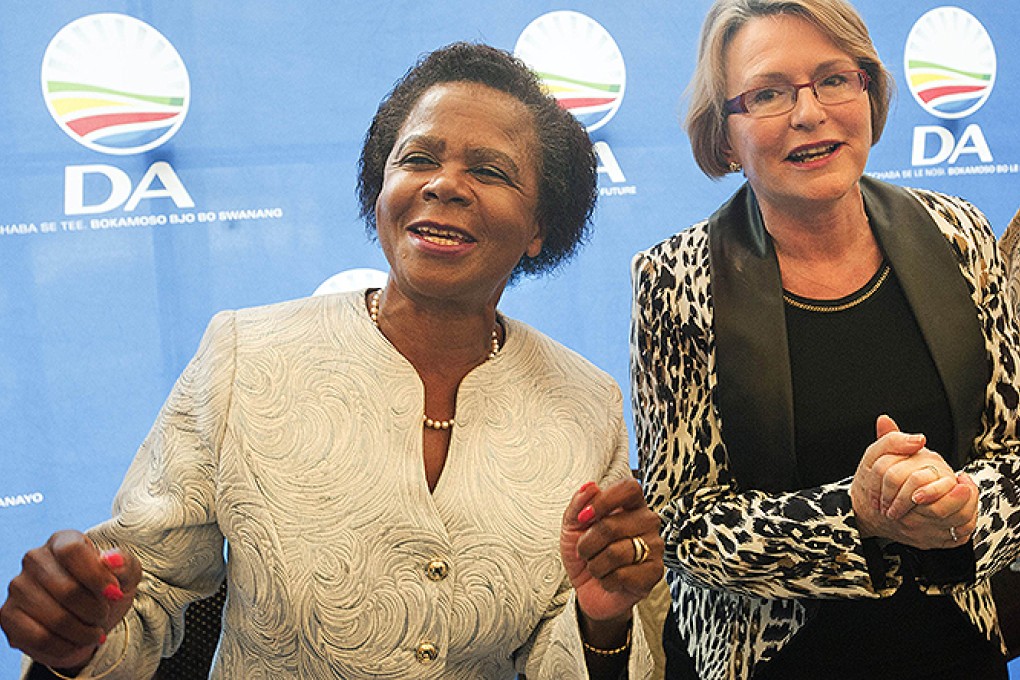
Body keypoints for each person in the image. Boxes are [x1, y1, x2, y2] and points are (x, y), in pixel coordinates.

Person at [1, 42, 664, 680]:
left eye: (488, 171)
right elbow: (141, 601)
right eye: (417, 160)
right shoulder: (244, 355)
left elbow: (568, 651)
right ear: (381, 187)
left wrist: (600, 622)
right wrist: (74, 629)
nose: (443, 185)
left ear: (540, 226)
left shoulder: (586, 402)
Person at [630, 1, 1020, 679]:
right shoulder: (672, 279)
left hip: (949, 646)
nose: (809, 113)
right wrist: (856, 516)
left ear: (869, 93)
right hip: (764, 660)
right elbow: (685, 527)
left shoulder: (959, 232)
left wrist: (960, 509)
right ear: (725, 136)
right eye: (770, 93)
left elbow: (1015, 460)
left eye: (835, 79)